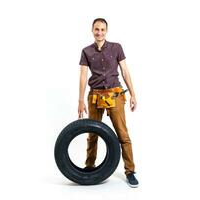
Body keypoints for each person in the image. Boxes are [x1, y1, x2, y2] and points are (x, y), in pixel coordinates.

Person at [78, 18, 139, 188]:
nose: (99, 32)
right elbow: (83, 76)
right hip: (95, 96)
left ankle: (130, 171)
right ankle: (90, 167)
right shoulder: (86, 51)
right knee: (92, 134)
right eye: (96, 29)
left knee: (123, 135)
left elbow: (125, 71)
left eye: (102, 29)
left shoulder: (116, 47)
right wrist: (80, 100)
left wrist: (133, 94)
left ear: (106, 31)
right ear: (92, 30)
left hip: (115, 95)